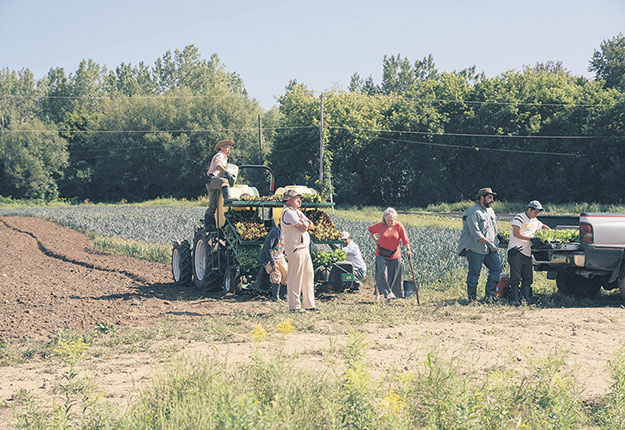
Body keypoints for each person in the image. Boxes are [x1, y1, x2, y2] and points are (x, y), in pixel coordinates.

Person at [457, 187, 502, 303]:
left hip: (489, 248)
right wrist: (489, 243)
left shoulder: (490, 211)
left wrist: (498, 237)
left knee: (497, 268)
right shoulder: (473, 212)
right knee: (474, 273)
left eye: (492, 197)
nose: (492, 200)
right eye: (489, 197)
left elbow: (493, 228)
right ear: (482, 198)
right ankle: (472, 299)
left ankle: (490, 296)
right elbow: (476, 234)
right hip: (474, 248)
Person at [280, 189, 318, 312]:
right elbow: (303, 227)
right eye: (297, 198)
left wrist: (305, 222)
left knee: (308, 276)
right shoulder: (288, 212)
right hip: (295, 248)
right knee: (295, 278)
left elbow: (311, 225)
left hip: (304, 248)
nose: (300, 200)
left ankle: (309, 304)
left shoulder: (297, 211)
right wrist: (305, 223)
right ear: (289, 200)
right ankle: (294, 306)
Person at [507, 200, 550, 306]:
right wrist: (531, 239)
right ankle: (515, 299)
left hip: (527, 252)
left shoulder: (535, 220)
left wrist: (552, 232)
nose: (537, 214)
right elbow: (516, 233)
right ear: (529, 209)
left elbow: (543, 226)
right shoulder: (519, 217)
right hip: (516, 251)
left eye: (538, 212)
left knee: (527, 277)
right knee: (515, 276)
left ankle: (527, 298)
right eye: (535, 212)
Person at [368, 207, 412, 300]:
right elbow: (370, 230)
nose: (390, 222)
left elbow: (405, 239)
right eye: (388, 220)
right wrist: (375, 240)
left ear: (395, 218)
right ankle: (387, 293)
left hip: (394, 254)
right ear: (384, 219)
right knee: (382, 273)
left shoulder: (399, 226)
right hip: (381, 254)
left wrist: (408, 249)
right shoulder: (380, 225)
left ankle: (392, 294)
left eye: (392, 220)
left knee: (394, 276)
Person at [204, 139, 236, 231]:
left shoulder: (224, 157)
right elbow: (218, 166)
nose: (229, 150)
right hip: (213, 179)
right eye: (227, 147)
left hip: (211, 182)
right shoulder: (220, 155)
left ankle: (209, 225)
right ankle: (227, 199)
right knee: (224, 182)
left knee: (213, 205)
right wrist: (227, 172)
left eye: (230, 148)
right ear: (221, 148)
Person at [258, 223, 288, 301]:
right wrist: (273, 263)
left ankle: (284, 295)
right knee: (276, 273)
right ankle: (275, 297)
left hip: (280, 256)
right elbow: (268, 248)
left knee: (286, 272)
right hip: (269, 258)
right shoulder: (275, 232)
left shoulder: (288, 232)